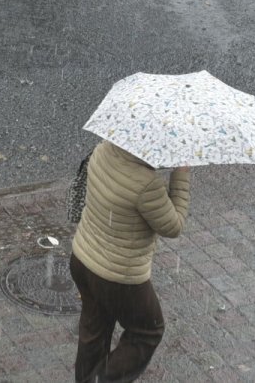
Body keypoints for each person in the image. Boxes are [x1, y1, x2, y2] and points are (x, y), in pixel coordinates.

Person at [69, 140, 191, 383]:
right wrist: (181, 174)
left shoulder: (103, 149)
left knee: (94, 331)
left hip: (83, 259)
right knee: (148, 330)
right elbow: (174, 226)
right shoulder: (146, 185)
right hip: (118, 276)